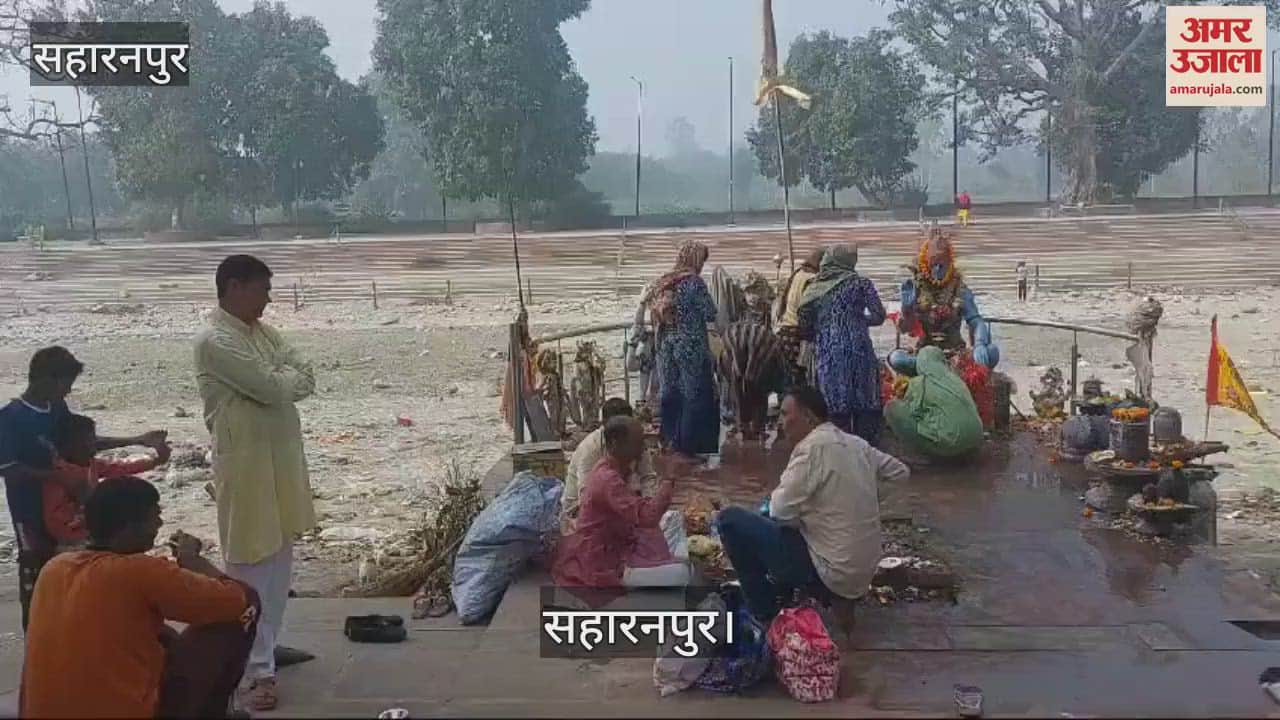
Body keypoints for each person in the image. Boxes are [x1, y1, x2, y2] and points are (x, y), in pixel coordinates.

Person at [21, 476, 259, 719]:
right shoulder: (140, 570)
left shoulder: (54, 568)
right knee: (248, 606)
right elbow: (236, 599)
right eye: (154, 517)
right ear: (130, 526)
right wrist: (195, 563)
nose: (159, 523)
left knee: (161, 634)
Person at [195, 254, 316, 712]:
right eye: (263, 289)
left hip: (281, 462)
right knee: (248, 561)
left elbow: (304, 376)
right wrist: (281, 380)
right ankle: (252, 668)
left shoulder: (262, 334)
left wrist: (281, 380)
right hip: (244, 466)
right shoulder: (215, 340)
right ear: (235, 286)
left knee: (280, 558)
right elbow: (271, 385)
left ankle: (266, 648)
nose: (268, 299)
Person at [0, 346, 167, 630]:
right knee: (37, 582)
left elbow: (83, 442)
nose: (67, 392)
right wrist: (58, 478)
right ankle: (37, 651)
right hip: (29, 512)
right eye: (66, 384)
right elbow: (9, 470)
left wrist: (137, 439)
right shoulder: (10, 417)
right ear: (46, 380)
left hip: (71, 509)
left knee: (72, 580)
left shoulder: (57, 408)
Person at [716, 387, 909, 622]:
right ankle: (788, 595)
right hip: (863, 571)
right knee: (791, 522)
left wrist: (803, 516)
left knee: (730, 520)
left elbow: (778, 510)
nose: (781, 423)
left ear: (808, 416)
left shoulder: (811, 449)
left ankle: (763, 612)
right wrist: (866, 497)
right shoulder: (856, 444)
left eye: (786, 415)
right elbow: (900, 473)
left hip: (833, 573)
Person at [553, 416, 690, 594]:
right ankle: (639, 574)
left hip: (617, 545)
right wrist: (670, 477)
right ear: (616, 444)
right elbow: (647, 518)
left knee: (674, 520)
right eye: (638, 442)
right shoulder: (607, 479)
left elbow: (638, 507)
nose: (643, 448)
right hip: (603, 562)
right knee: (683, 573)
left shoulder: (612, 468)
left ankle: (657, 563)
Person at [796, 245, 887, 444]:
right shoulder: (861, 284)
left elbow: (803, 323)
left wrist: (821, 331)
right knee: (866, 404)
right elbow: (879, 315)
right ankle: (867, 452)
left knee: (837, 407)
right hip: (860, 351)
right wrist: (858, 321)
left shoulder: (813, 288)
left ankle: (841, 453)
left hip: (829, 354)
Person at [44, 413, 172, 550]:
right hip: (74, 540)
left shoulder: (90, 464)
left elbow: (119, 467)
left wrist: (155, 461)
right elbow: (57, 521)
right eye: (86, 442)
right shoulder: (60, 473)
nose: (94, 447)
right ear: (66, 446)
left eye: (93, 441)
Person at [643, 240, 720, 459]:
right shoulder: (694, 283)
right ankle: (687, 448)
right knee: (692, 395)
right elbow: (709, 312)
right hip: (690, 345)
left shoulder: (663, 282)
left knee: (670, 394)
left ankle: (669, 443)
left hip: (666, 346)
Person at [562, 398, 658, 525]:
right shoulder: (590, 449)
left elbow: (648, 477)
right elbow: (586, 496)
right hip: (581, 508)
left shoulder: (634, 440)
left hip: (618, 499)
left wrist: (648, 503)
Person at [884, 346, 985, 461]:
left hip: (952, 443)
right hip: (976, 437)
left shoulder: (918, 383)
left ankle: (924, 456)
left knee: (892, 408)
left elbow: (915, 413)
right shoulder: (955, 379)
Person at [775, 247, 825, 387]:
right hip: (798, 335)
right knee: (800, 379)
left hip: (785, 331)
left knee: (787, 378)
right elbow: (808, 310)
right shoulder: (812, 279)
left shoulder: (797, 273)